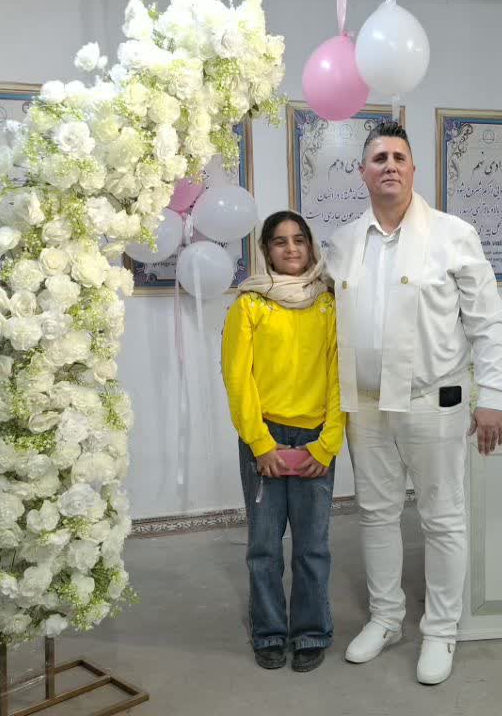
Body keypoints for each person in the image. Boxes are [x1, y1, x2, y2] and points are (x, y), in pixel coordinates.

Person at [325, 121, 502, 685]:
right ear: (362, 171)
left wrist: (493, 396)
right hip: (365, 404)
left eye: (398, 157)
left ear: (413, 169)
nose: (389, 165)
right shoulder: (343, 241)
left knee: (443, 517)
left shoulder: (454, 234)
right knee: (376, 514)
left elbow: (487, 322)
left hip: (433, 400)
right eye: (378, 157)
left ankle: (441, 630)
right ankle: (386, 619)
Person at [221, 211, 344, 672]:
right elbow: (238, 380)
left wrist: (327, 445)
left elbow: (340, 376)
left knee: (312, 546)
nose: (291, 249)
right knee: (265, 547)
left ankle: (311, 632)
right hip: (265, 438)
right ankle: (270, 632)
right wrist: (260, 445)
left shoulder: (329, 304)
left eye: (298, 240)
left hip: (315, 439)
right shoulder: (249, 305)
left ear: (310, 246)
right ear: (265, 251)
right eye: (279, 242)